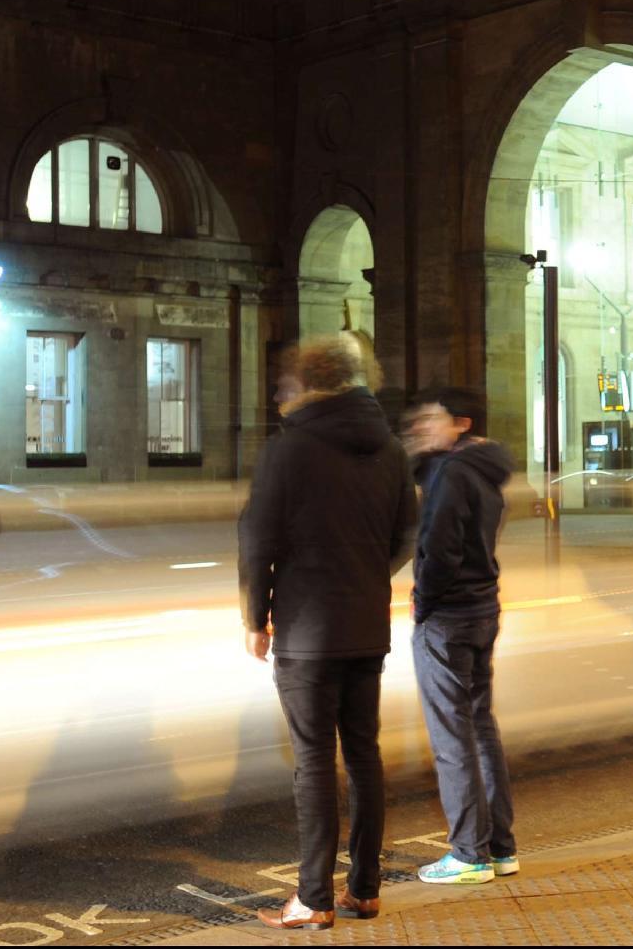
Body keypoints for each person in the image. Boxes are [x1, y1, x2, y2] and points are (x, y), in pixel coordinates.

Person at [237, 333, 417, 931]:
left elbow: (256, 539)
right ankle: (363, 889)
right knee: (364, 751)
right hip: (366, 623)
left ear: (310, 383)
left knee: (314, 758)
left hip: (308, 627)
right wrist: (367, 573)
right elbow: (405, 534)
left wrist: (255, 615)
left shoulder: (289, 449)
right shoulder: (390, 447)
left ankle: (313, 897)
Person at [403, 385, 519, 885]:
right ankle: (500, 848)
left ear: (462, 423)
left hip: (448, 617)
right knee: (480, 727)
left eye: (434, 417)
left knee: (453, 735)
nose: (423, 426)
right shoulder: (484, 471)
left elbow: (441, 548)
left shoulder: (452, 473)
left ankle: (469, 854)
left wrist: (422, 603)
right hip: (482, 608)